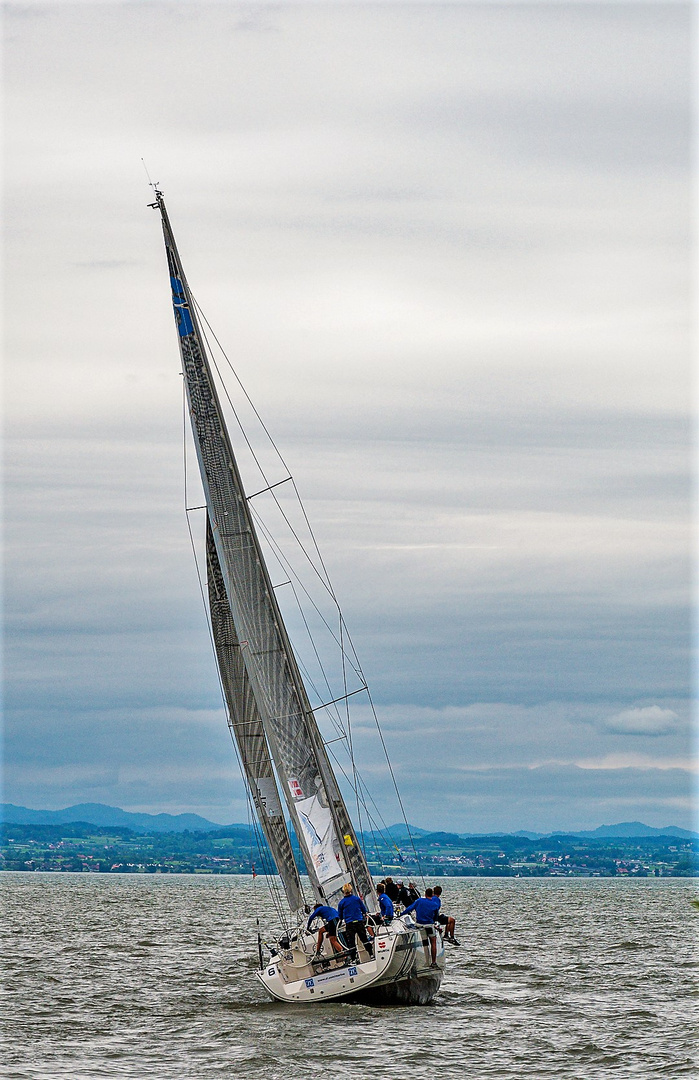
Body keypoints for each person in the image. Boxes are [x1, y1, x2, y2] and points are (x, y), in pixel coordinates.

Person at [402, 887, 440, 967]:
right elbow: (436, 917)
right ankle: (433, 962)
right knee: (433, 943)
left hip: (419, 925)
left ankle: (426, 961)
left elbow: (409, 908)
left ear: (425, 894)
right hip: (429, 925)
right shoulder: (435, 904)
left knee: (424, 943)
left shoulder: (419, 901)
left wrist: (401, 914)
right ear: (432, 895)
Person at [337, 883, 374, 961]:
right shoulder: (357, 899)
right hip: (359, 922)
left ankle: (353, 959)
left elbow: (340, 916)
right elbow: (364, 910)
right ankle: (371, 954)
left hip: (349, 924)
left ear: (343, 891)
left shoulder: (342, 902)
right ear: (351, 890)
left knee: (351, 943)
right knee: (364, 940)